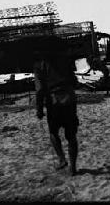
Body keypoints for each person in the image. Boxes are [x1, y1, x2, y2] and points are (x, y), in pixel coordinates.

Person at [33, 36, 79, 176]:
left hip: (54, 103)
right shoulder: (65, 61)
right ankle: (73, 167)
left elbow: (40, 89)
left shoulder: (39, 65)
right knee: (71, 136)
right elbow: (74, 82)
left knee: (53, 133)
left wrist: (39, 109)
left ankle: (61, 159)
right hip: (69, 100)